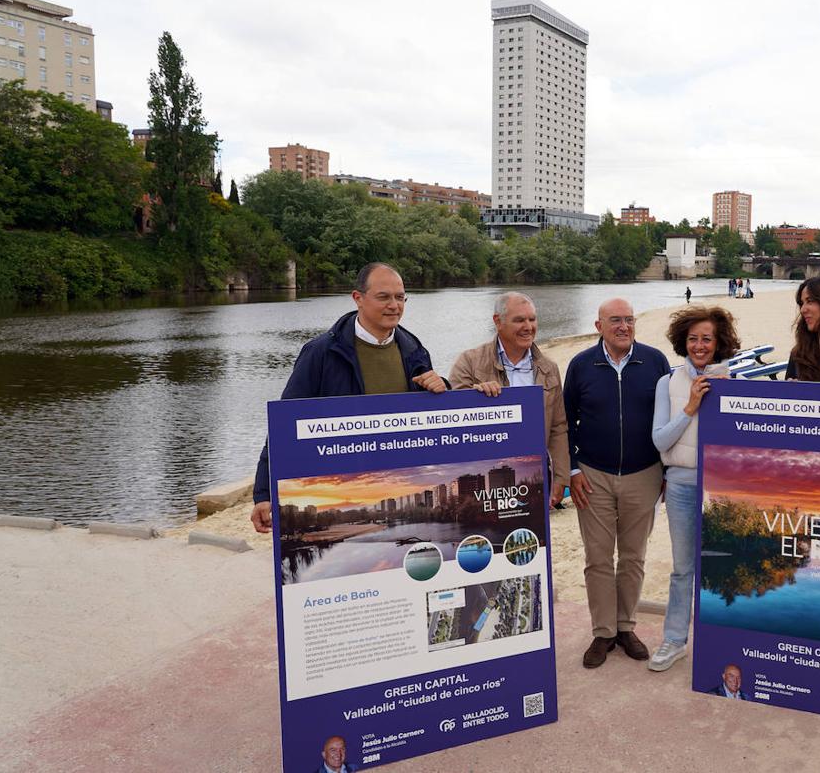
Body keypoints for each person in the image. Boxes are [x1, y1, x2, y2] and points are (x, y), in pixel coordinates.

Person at [250, 262, 448, 533]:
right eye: (384, 297)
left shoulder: (414, 349)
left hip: (398, 480)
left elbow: (430, 418)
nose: (394, 305)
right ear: (358, 298)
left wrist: (442, 386)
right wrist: (263, 494)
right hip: (349, 479)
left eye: (400, 297)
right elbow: (284, 427)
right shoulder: (321, 353)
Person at [564, 298, 671, 668]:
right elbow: (565, 423)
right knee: (597, 558)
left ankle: (626, 627)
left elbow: (669, 419)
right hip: (593, 475)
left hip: (645, 474)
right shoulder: (580, 366)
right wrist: (573, 470)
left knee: (633, 557)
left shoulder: (655, 362)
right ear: (599, 326)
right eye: (615, 321)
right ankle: (603, 633)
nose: (623, 326)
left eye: (628, 319)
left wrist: (667, 472)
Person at [648, 305, 739, 672]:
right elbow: (659, 441)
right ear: (682, 341)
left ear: (719, 343)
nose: (699, 346)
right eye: (693, 339)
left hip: (722, 490)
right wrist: (690, 407)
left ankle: (723, 641)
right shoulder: (667, 383)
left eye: (707, 338)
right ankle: (674, 640)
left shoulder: (736, 382)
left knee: (723, 567)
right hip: (682, 486)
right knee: (683, 568)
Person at [449, 292, 568, 505]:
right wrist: (475, 396)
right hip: (487, 481)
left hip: (532, 476)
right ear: (498, 321)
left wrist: (561, 477)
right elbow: (452, 423)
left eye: (532, 319)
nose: (528, 326)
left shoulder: (549, 369)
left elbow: (558, 427)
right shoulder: (469, 362)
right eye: (519, 320)